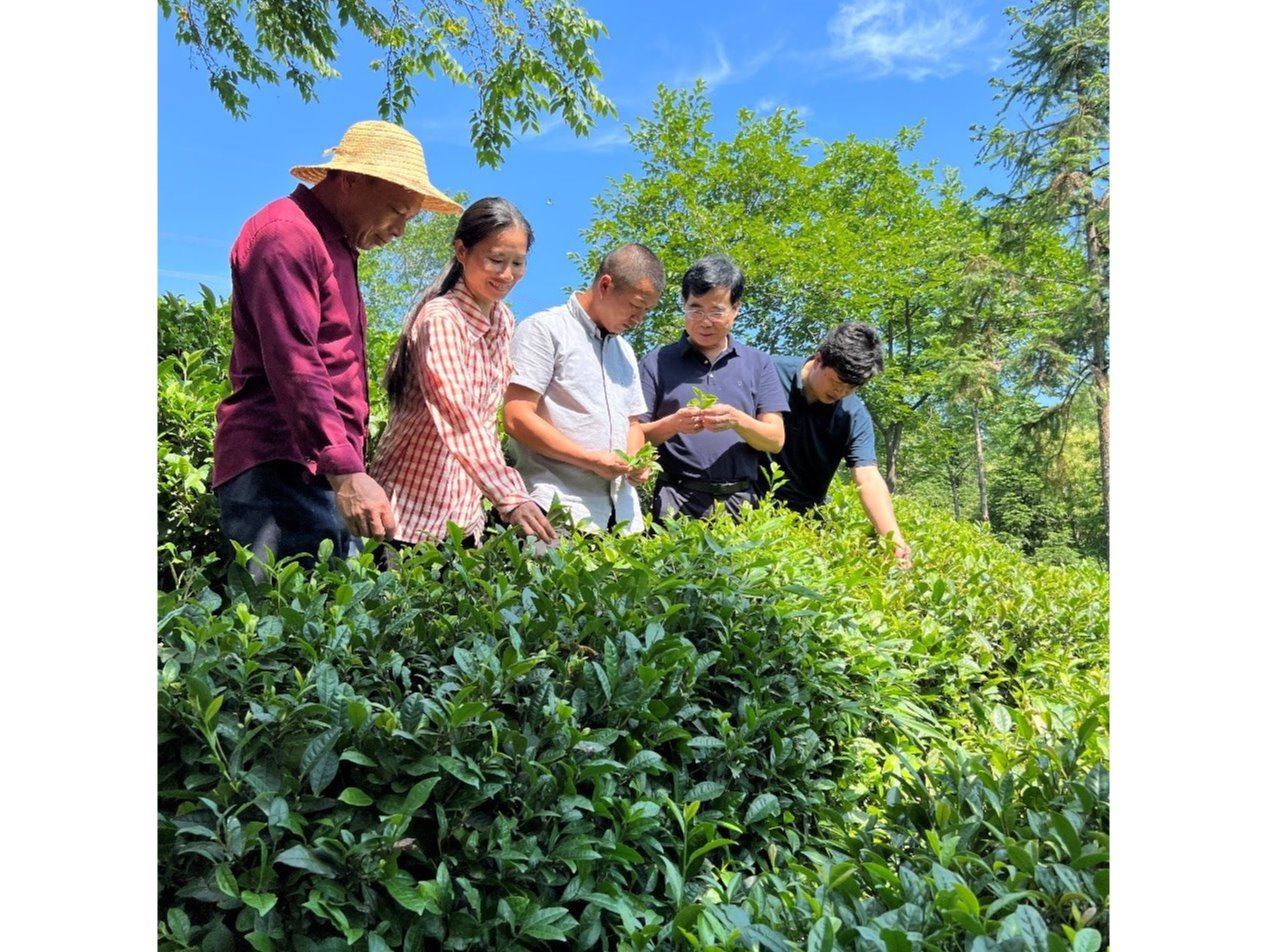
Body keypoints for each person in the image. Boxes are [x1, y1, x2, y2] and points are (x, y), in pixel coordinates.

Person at [212, 119, 463, 574]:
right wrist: (346, 472)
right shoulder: (287, 234)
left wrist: (346, 470)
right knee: (279, 616)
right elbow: (295, 360)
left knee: (330, 614)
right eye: (397, 211)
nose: (400, 231)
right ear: (350, 180)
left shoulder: (338, 248)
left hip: (321, 471)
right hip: (281, 467)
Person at [369, 197, 558, 548]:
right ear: (461, 251)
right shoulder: (442, 318)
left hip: (462, 517)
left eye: (517, 262)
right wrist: (510, 496)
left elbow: (485, 421)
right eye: (496, 260)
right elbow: (459, 414)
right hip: (406, 514)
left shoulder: (503, 320)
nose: (507, 274)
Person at [502, 244, 664, 534]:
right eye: (635, 306)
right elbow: (516, 417)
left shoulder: (625, 352)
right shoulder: (544, 329)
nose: (639, 319)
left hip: (623, 519)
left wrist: (636, 461)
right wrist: (589, 460)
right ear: (605, 285)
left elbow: (633, 424)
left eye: (647, 311)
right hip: (556, 509)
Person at [638, 254, 788, 520]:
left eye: (716, 311)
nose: (704, 321)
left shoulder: (758, 363)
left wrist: (737, 420)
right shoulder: (656, 361)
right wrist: (674, 424)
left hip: (741, 503)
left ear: (735, 309)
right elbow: (635, 435)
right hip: (675, 500)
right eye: (695, 310)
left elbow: (775, 440)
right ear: (684, 305)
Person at [766, 322, 912, 565]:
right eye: (837, 381)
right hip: (749, 506)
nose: (841, 392)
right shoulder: (767, 373)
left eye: (852, 387)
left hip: (806, 521)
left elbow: (868, 478)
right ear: (819, 359)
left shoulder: (853, 415)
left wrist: (893, 540)